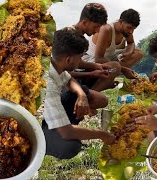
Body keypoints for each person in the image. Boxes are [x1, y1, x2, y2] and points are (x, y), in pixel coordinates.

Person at [42, 29, 115, 159]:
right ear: (69, 59)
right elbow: (66, 132)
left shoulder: (55, 65)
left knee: (96, 98)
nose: (81, 61)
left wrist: (81, 95)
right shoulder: (48, 83)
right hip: (37, 123)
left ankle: (66, 122)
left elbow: (69, 79)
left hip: (53, 113)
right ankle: (43, 140)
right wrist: (101, 134)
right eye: (80, 57)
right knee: (70, 146)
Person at [64, 3, 121, 92]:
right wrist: (91, 74)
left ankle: (91, 94)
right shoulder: (68, 36)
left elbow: (79, 63)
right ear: (85, 23)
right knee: (101, 100)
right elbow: (62, 73)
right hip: (67, 82)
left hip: (77, 75)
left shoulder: (80, 37)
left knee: (113, 67)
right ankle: (88, 96)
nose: (98, 31)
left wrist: (98, 66)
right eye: (96, 26)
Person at [83, 8, 143, 81]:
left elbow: (131, 43)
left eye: (134, 29)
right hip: (93, 59)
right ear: (120, 22)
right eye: (129, 27)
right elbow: (98, 59)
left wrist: (129, 53)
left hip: (110, 57)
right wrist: (122, 69)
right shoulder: (107, 29)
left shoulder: (127, 31)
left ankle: (114, 71)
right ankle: (114, 71)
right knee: (116, 66)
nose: (131, 31)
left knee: (138, 53)